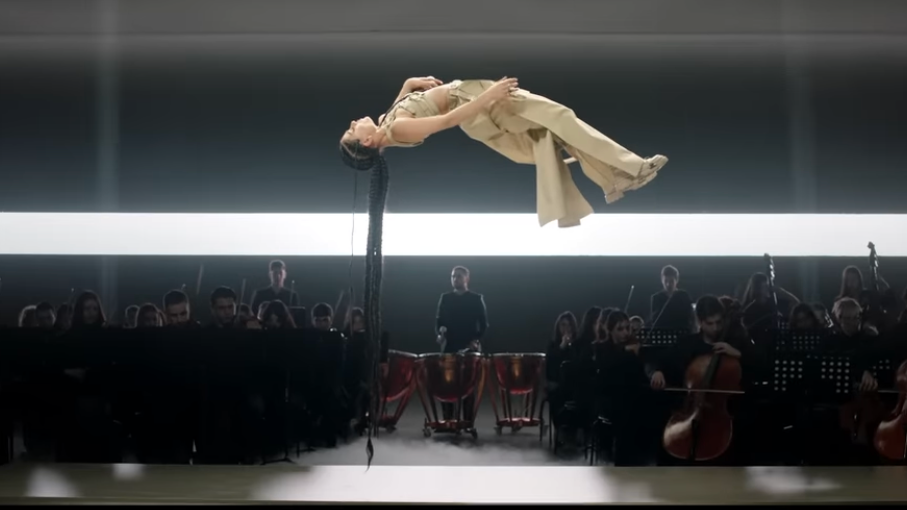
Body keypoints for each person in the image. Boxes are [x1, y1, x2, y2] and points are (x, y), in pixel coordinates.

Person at [339, 76, 668, 228]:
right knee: (559, 118)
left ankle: (617, 179)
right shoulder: (397, 130)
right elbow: (448, 120)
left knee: (553, 131)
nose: (354, 122)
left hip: (474, 101)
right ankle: (631, 169)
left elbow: (403, 98)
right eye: (353, 130)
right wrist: (490, 95)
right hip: (478, 104)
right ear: (366, 143)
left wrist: (413, 83)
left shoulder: (386, 123)